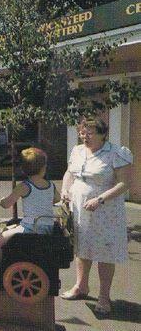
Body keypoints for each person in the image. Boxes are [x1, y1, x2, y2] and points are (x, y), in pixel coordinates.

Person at [59, 118, 132, 316]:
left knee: (104, 252)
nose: (85, 137)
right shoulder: (77, 151)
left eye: (90, 133)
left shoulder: (116, 153)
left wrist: (99, 199)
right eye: (82, 133)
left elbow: (124, 184)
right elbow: (69, 173)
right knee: (82, 246)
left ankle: (104, 296)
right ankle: (81, 287)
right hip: (80, 208)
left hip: (105, 211)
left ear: (102, 134)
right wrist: (65, 190)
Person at [0, 147, 58, 270]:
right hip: (47, 227)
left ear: (24, 169)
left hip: (31, 228)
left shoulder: (24, 186)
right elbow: (56, 199)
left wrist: (1, 201)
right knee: (12, 227)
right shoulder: (50, 185)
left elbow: (7, 204)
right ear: (43, 168)